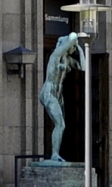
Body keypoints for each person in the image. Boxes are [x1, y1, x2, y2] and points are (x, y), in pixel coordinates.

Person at [39, 30, 90, 163]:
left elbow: (83, 67)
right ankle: (54, 154)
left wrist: (80, 50)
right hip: (49, 91)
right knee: (60, 124)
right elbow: (72, 36)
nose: (73, 47)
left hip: (59, 93)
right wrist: (76, 37)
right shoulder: (55, 56)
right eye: (73, 45)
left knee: (61, 124)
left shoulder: (68, 60)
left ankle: (56, 153)